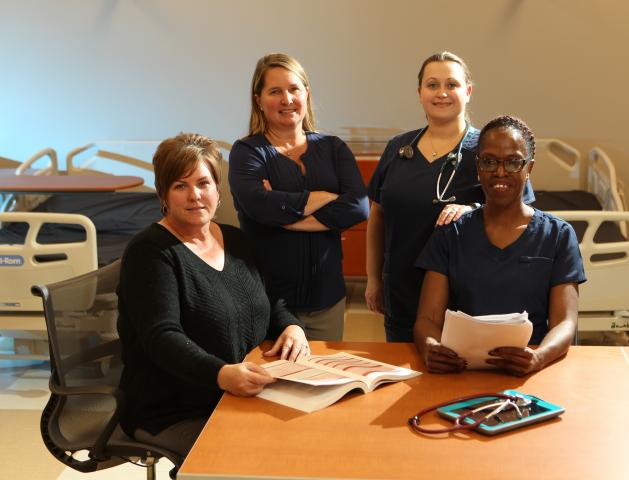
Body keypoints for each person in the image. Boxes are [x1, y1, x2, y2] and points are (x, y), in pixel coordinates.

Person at [117, 133, 309, 461]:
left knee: (310, 441)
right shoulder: (150, 253)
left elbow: (271, 302)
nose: (195, 196)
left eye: (203, 183)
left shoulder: (236, 240)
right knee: (260, 458)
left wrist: (291, 327)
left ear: (217, 190)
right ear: (163, 193)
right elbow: (163, 339)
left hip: (240, 392)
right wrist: (221, 375)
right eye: (180, 186)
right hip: (177, 407)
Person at [366, 51, 535, 342]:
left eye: (452, 85)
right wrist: (373, 279)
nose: (442, 93)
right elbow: (377, 217)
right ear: (420, 93)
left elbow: (522, 216)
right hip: (402, 291)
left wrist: (473, 207)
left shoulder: (490, 149)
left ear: (467, 92)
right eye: (432, 85)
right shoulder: (398, 148)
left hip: (467, 297)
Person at [414, 115, 586, 376]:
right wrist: (431, 348)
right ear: (478, 166)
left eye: (514, 162)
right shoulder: (451, 233)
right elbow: (427, 319)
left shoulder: (558, 236)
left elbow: (565, 322)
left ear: (529, 168)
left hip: (530, 374)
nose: (500, 172)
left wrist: (539, 357)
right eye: (490, 161)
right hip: (461, 372)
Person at [229, 53, 369, 341]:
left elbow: (358, 206)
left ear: (306, 93)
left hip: (327, 300)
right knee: (272, 383)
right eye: (275, 91)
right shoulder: (247, 152)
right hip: (269, 301)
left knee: (325, 382)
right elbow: (259, 205)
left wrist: (288, 217)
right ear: (258, 100)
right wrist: (327, 197)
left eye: (294, 89)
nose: (287, 99)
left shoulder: (333, 148)